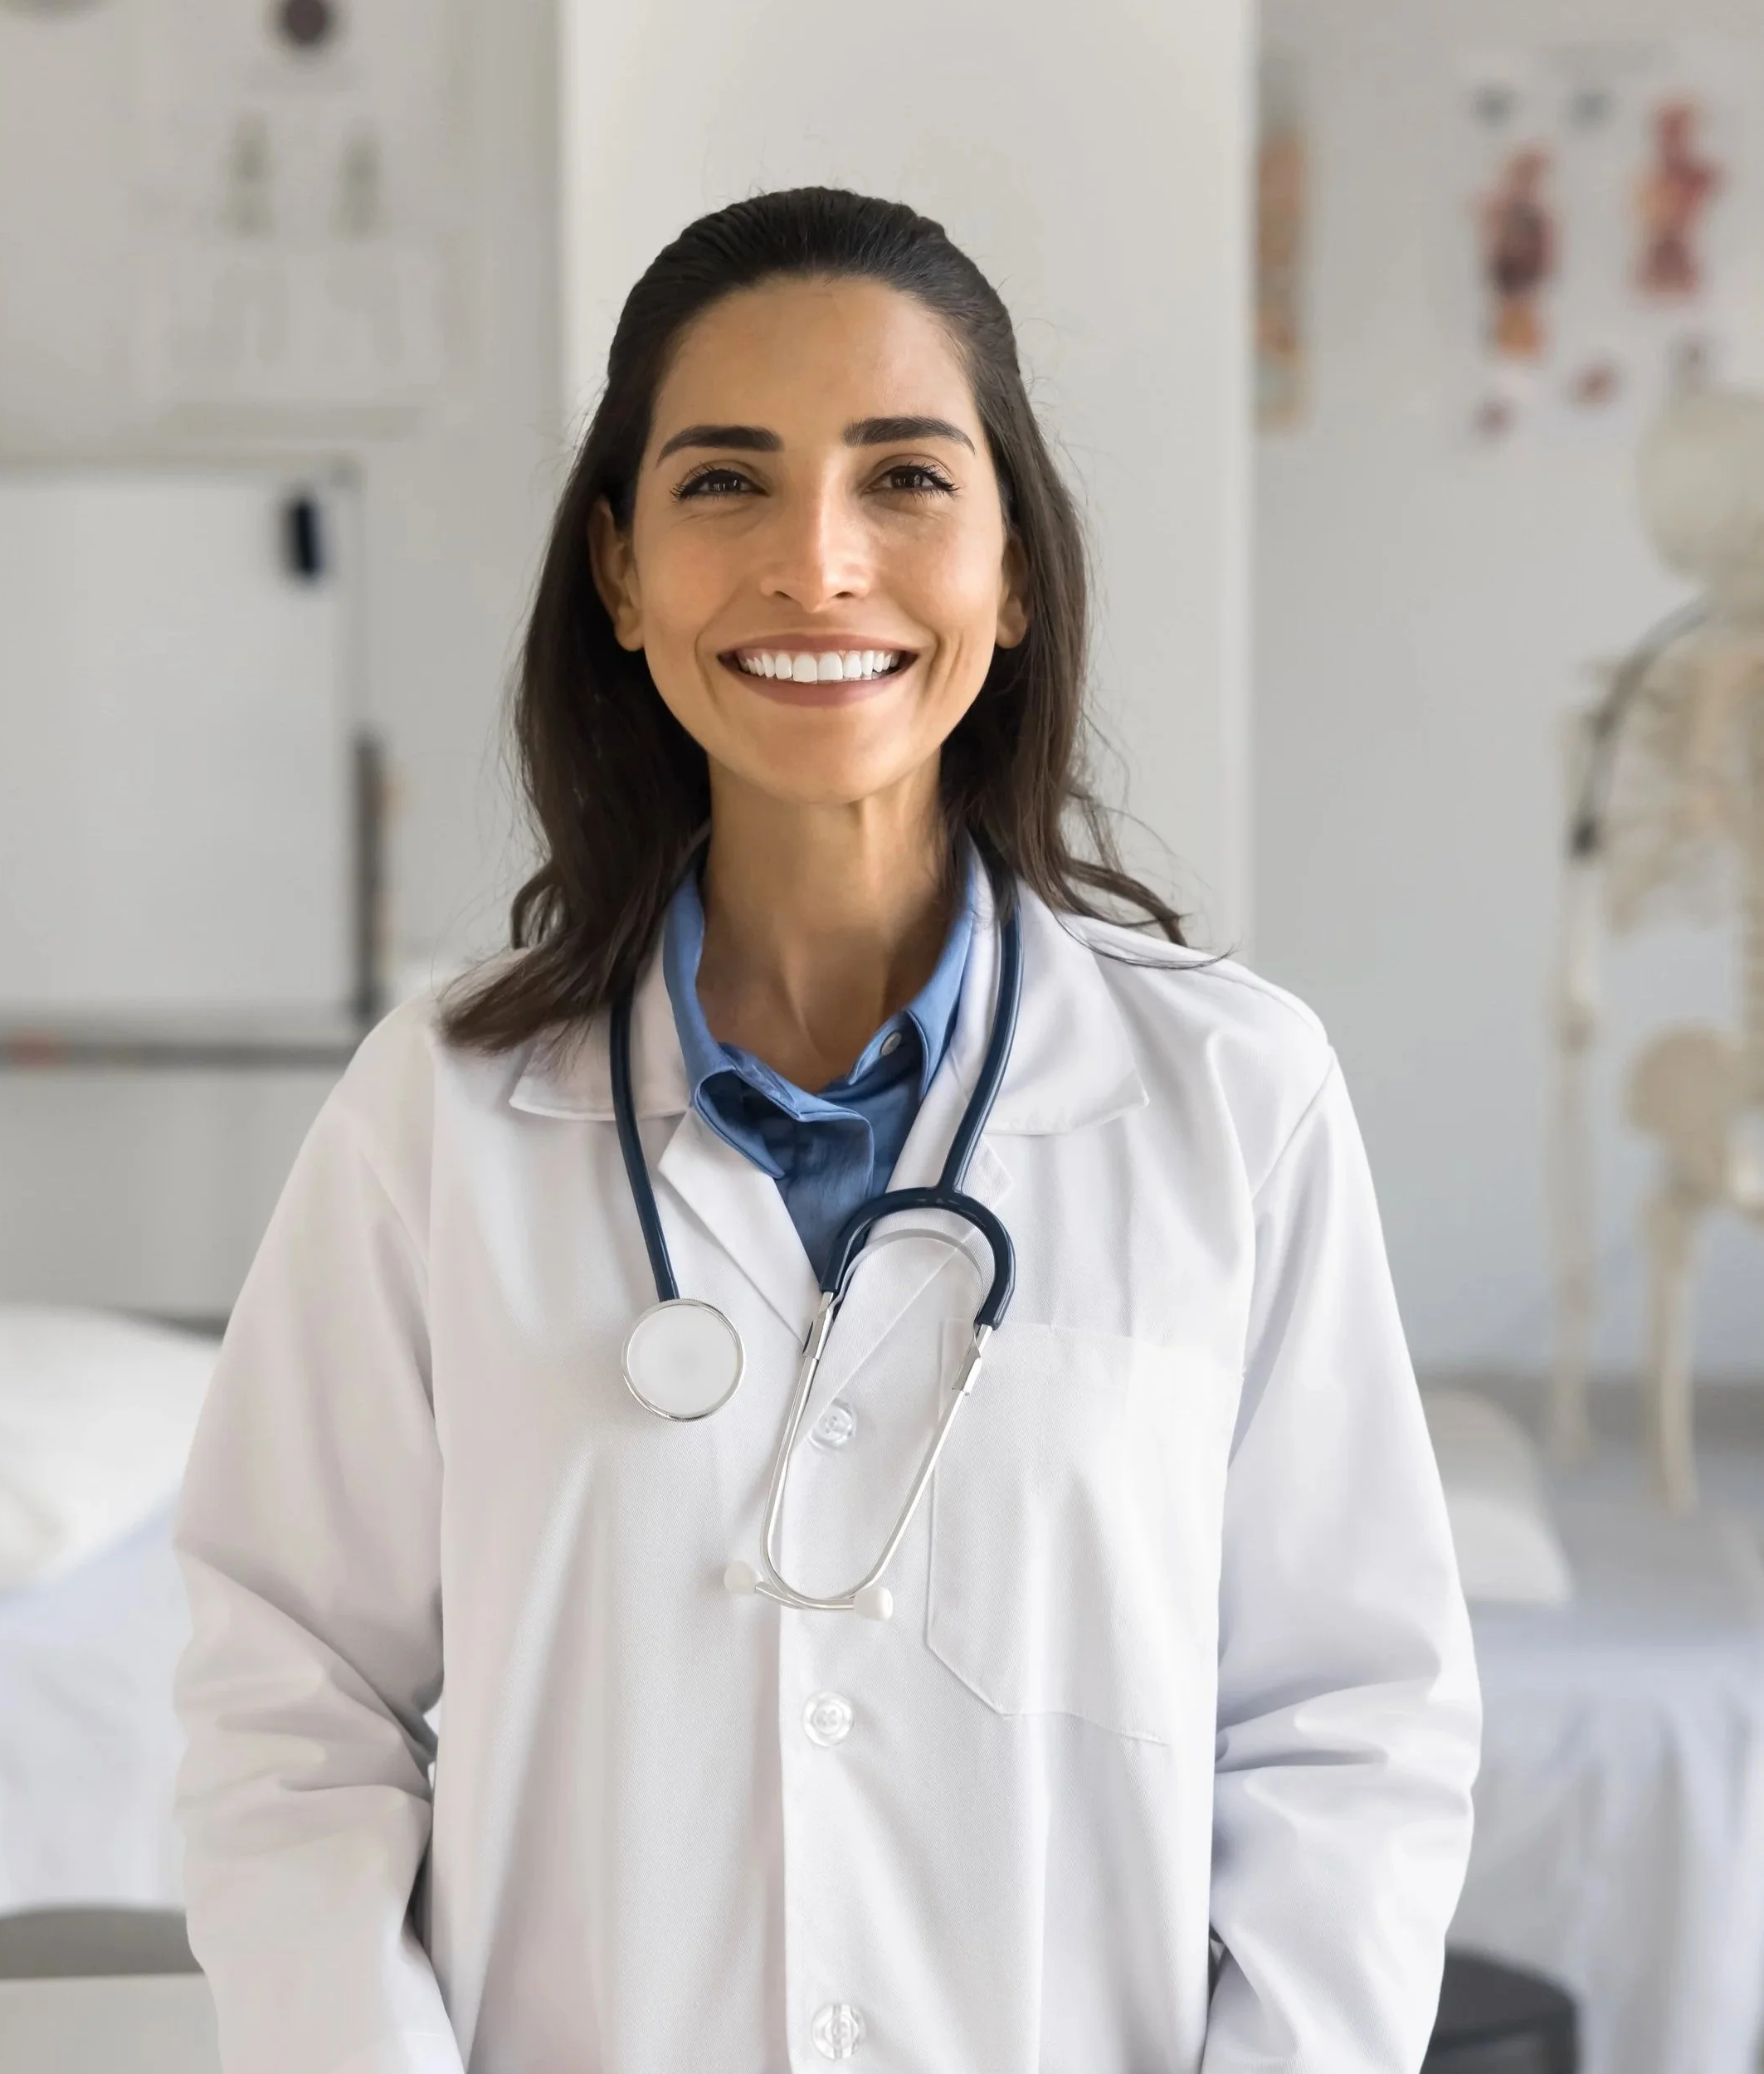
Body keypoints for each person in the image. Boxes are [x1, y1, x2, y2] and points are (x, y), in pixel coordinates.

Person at [173, 187, 1479, 2073]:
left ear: (1010, 570)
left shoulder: (1231, 1097)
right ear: (618, 576)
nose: (815, 560)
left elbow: (1349, 1721)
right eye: (723, 482)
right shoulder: (439, 1115)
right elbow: (286, 1694)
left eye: (902, 480)